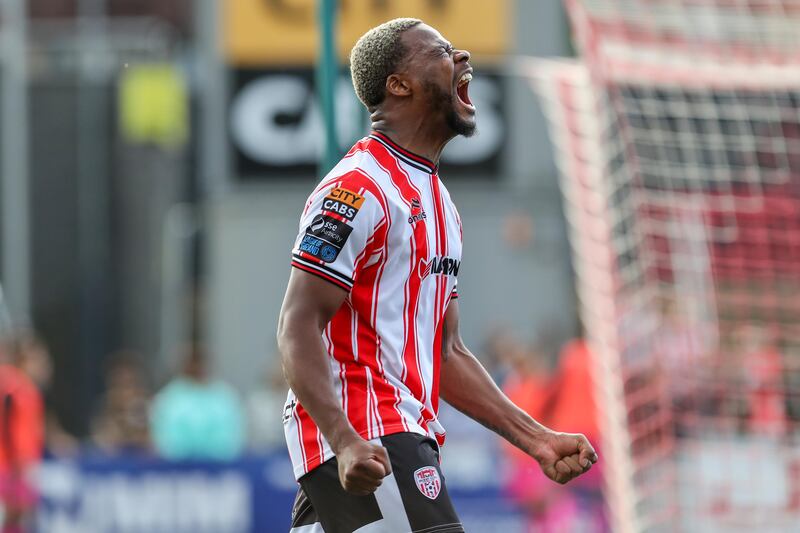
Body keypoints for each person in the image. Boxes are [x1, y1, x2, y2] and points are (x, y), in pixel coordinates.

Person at [276, 18, 598, 533]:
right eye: (442, 51)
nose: (463, 56)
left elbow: (445, 352)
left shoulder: (441, 203)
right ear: (399, 84)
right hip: (372, 432)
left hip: (384, 441)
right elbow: (297, 325)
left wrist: (537, 439)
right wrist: (344, 439)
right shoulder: (356, 189)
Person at [150, 344, 245, 460]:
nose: (197, 366)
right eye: (193, 362)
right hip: (176, 469)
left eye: (200, 362)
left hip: (219, 467)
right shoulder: (168, 398)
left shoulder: (226, 396)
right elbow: (164, 439)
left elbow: (233, 437)